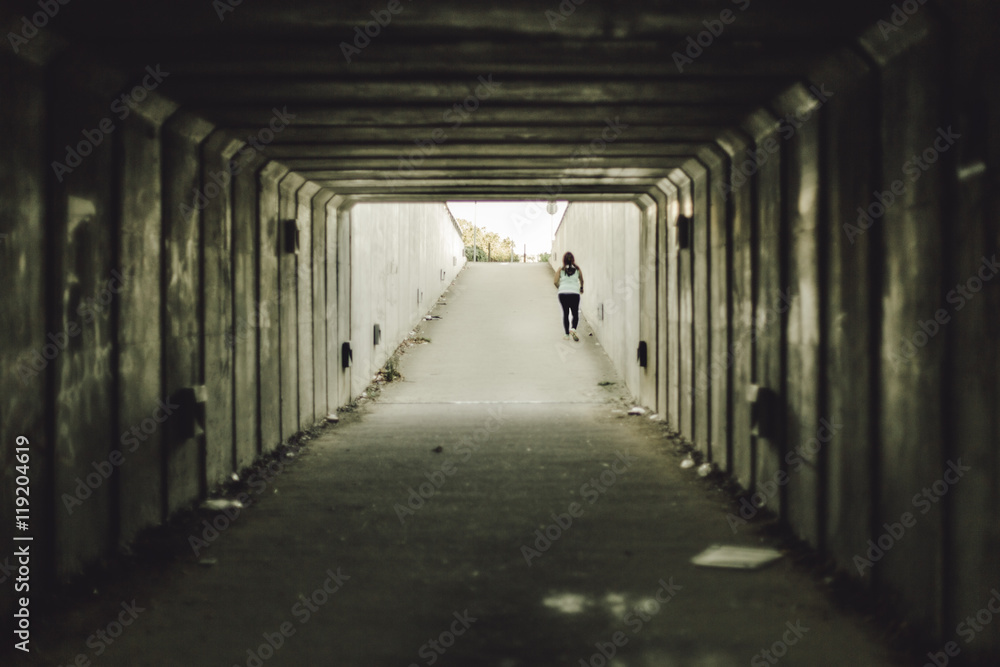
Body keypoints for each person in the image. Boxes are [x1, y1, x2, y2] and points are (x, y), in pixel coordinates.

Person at [553, 251, 584, 340]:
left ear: (564, 260)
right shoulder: (577, 269)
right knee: (575, 313)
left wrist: (560, 288)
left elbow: (555, 281)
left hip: (563, 293)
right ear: (573, 259)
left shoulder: (561, 269)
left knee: (565, 313)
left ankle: (566, 334)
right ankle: (573, 329)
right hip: (574, 293)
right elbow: (582, 279)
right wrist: (581, 288)